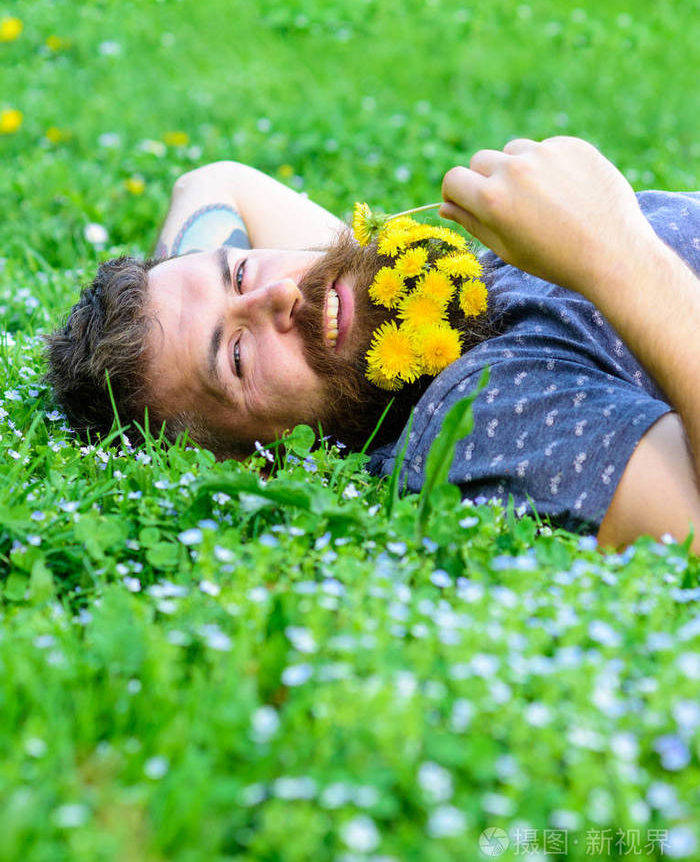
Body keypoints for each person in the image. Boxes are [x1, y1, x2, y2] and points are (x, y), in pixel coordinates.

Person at [45, 136, 700, 551]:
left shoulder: (389, 308)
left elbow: (216, 181)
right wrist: (613, 251)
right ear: (262, 463)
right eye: (236, 356)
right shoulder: (474, 420)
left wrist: (191, 292)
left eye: (239, 271)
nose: (276, 296)